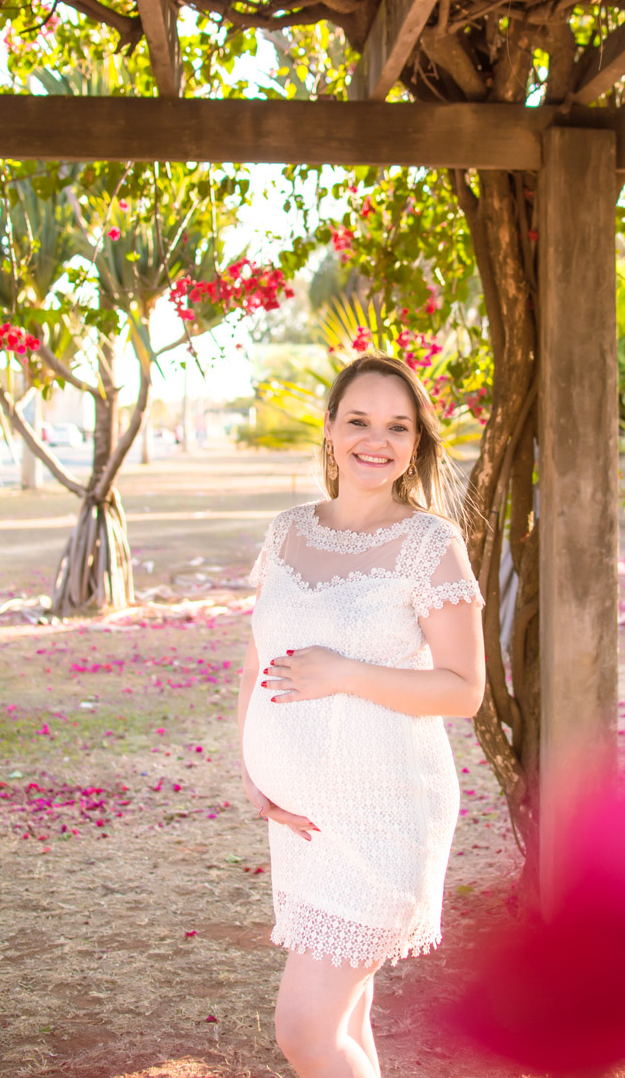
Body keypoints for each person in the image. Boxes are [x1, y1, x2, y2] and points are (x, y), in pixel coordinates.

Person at [237, 353, 486, 1078]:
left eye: (397, 426)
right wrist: (254, 771)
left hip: (386, 816)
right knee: (348, 1017)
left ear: (416, 444)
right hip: (307, 823)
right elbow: (257, 659)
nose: (376, 440)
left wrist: (344, 673)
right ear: (330, 430)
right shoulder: (286, 531)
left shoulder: (429, 544)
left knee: (306, 1031)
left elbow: (463, 690)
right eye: (359, 421)